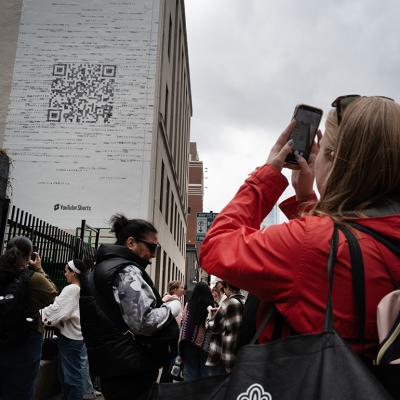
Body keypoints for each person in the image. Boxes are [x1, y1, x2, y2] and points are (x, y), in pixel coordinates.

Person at [200, 96, 400, 362]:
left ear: (333, 159)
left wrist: (268, 176)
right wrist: (306, 200)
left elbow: (215, 246)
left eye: (324, 150)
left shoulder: (311, 243)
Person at [80, 214, 181, 400]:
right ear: (131, 242)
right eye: (152, 247)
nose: (153, 254)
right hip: (130, 369)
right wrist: (174, 307)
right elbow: (145, 322)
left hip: (112, 365)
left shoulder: (98, 269)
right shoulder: (125, 270)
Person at [0, 236, 58, 400]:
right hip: (27, 339)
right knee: (22, 387)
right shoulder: (34, 278)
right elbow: (53, 294)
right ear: (28, 256)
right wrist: (38, 269)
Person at [42, 259, 97, 400]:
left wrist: (38, 316)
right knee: (74, 373)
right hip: (79, 337)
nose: (65, 273)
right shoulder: (82, 289)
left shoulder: (72, 289)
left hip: (70, 339)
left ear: (74, 273)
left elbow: (59, 311)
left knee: (70, 377)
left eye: (67, 271)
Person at [205, 281, 245, 374]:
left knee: (218, 383)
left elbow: (214, 326)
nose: (224, 292)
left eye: (224, 289)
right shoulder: (243, 301)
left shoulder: (228, 303)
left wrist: (208, 319)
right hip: (237, 346)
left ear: (228, 288)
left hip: (224, 349)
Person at [179, 281, 214, 381]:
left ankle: (190, 394)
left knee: (190, 371)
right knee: (205, 372)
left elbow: (184, 322)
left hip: (189, 342)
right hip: (206, 344)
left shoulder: (189, 305)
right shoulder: (211, 306)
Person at [159, 280, 185, 383]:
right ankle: (165, 384)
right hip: (171, 336)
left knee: (169, 361)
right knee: (170, 361)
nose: (183, 290)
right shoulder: (175, 302)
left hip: (168, 335)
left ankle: (165, 382)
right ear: (174, 289)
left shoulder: (167, 300)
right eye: (181, 287)